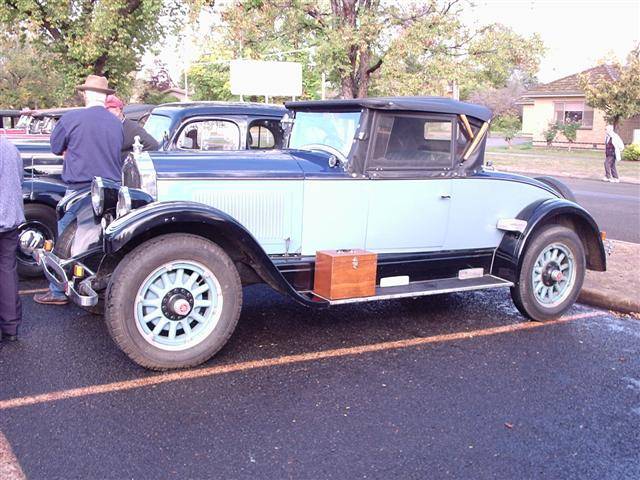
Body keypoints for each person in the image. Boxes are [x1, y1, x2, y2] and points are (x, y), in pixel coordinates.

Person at [34, 75, 124, 305]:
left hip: (78, 189)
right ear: (105, 97)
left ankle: (57, 291)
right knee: (105, 241)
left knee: (64, 240)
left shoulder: (71, 118)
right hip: (110, 191)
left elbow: (55, 147)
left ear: (85, 94)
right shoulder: (116, 123)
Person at [0, 136, 25, 341]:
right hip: (9, 217)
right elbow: (20, 179)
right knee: (7, 271)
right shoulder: (10, 146)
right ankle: (10, 327)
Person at [105, 95, 159, 160]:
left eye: (107, 110)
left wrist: (127, 158)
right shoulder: (106, 127)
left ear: (117, 110)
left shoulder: (133, 129)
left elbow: (153, 145)